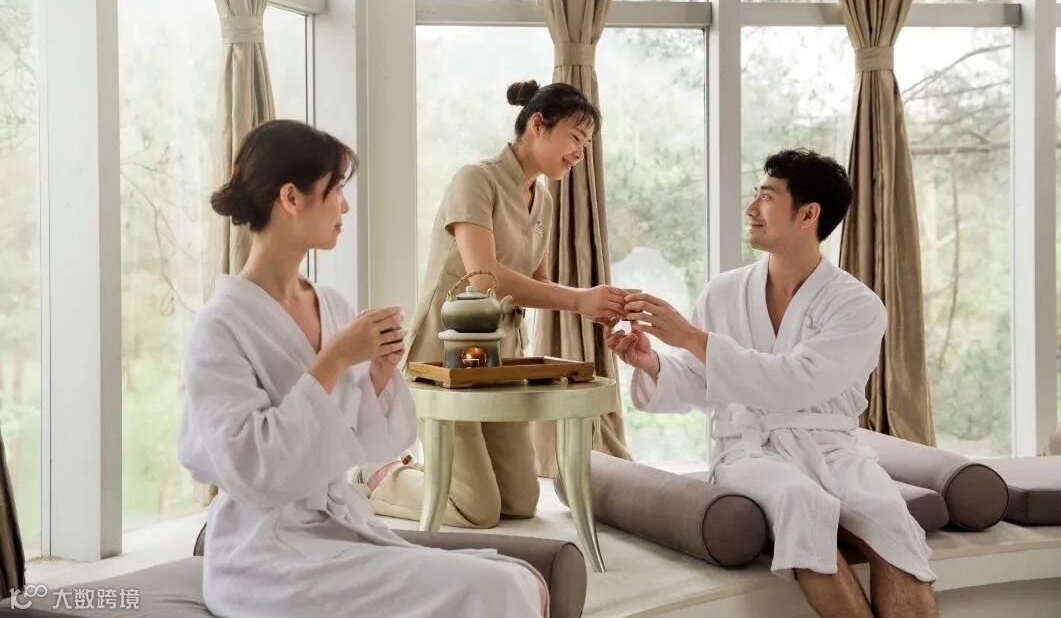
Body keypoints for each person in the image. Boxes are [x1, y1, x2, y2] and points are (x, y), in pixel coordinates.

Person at [179, 120, 546, 618]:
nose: (345, 207)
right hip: (264, 553)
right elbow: (250, 466)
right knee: (497, 588)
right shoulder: (220, 325)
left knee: (521, 578)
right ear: (291, 198)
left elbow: (371, 445)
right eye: (334, 190)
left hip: (338, 527)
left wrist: (375, 378)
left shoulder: (331, 305)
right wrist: (334, 360)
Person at [606, 149, 938, 618]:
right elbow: (702, 380)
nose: (751, 208)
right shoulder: (724, 292)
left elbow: (794, 383)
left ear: (808, 214)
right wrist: (654, 364)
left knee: (893, 521)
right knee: (801, 501)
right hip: (749, 451)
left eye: (766, 197)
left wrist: (690, 336)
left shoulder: (858, 306)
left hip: (834, 451)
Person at [368, 80, 629, 528]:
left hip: (500, 360)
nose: (579, 154)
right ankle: (380, 476)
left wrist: (597, 308)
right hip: (445, 357)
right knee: (477, 509)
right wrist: (579, 299)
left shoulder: (543, 200)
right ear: (537, 125)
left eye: (586, 145)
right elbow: (483, 278)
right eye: (575, 138)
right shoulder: (476, 180)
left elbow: (538, 284)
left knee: (520, 502)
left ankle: (438, 478)